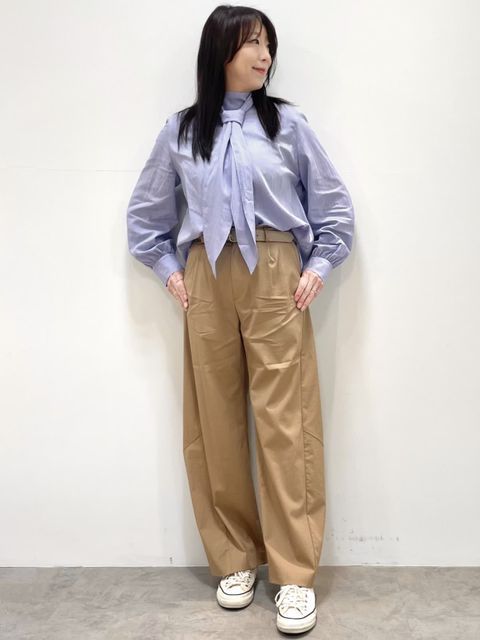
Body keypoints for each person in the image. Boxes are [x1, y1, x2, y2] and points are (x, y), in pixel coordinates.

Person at [126, 4, 354, 635]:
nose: (264, 55)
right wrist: (171, 271)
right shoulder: (181, 130)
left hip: (276, 270)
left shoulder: (288, 124)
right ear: (219, 50)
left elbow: (333, 206)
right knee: (214, 420)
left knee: (286, 421)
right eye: (251, 43)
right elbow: (147, 216)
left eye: (267, 44)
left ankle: (294, 574)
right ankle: (234, 558)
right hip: (205, 273)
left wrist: (318, 266)